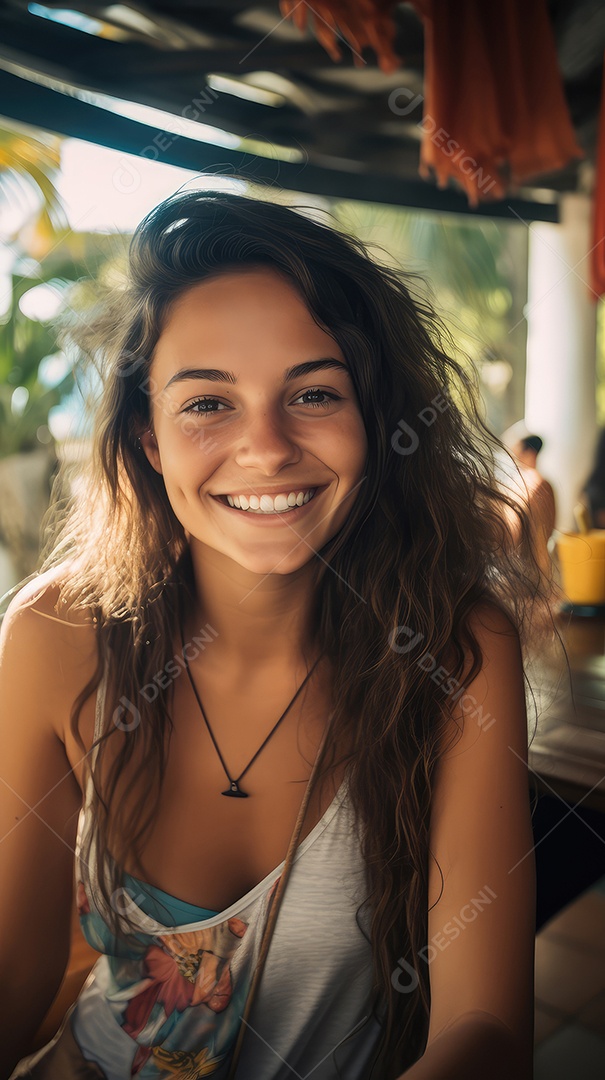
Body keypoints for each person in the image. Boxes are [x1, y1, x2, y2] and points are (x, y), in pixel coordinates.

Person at [0, 190, 546, 1080]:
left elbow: (484, 1029)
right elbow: (15, 971)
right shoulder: (60, 633)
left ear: (373, 419)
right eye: (207, 403)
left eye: (314, 393)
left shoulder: (451, 651)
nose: (265, 447)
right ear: (148, 437)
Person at [497, 421, 557, 578]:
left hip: (528, 564)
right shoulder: (529, 482)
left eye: (516, 451)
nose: (513, 456)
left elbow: (537, 530)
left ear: (530, 452)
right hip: (520, 561)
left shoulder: (535, 485)